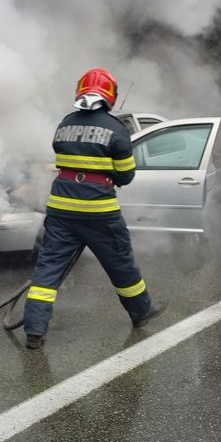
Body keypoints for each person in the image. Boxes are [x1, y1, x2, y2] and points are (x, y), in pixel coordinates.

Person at [22, 67, 165, 349]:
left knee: (47, 270)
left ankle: (34, 331)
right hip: (99, 211)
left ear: (80, 91)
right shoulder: (116, 129)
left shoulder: (64, 124)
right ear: (110, 95)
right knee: (119, 262)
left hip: (61, 209)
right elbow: (126, 176)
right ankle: (141, 311)